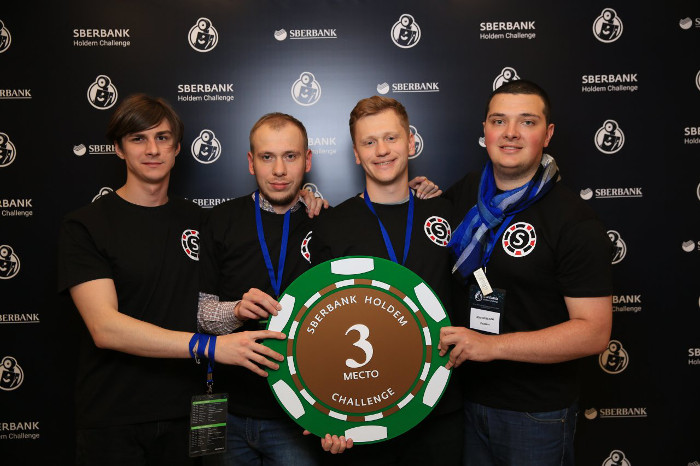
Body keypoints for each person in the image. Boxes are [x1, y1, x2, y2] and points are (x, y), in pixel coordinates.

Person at [58, 94, 286, 466]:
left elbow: (207, 305)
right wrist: (210, 347)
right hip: (114, 416)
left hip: (188, 414)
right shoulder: (86, 225)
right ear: (119, 149)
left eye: (162, 138)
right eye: (138, 138)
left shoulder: (199, 220)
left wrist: (305, 199)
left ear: (177, 148)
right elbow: (105, 327)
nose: (152, 149)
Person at [439, 80, 613, 465]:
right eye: (499, 121)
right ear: (485, 130)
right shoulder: (465, 193)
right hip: (465, 403)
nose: (511, 133)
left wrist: (491, 346)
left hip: (535, 415)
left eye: (527, 122)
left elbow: (594, 332)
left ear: (547, 135)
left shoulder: (573, 220)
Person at [310, 96, 465, 464]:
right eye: (369, 142)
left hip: (439, 404)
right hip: (362, 409)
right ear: (355, 154)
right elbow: (319, 328)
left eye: (391, 138)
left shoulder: (448, 212)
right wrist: (325, 412)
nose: (381, 150)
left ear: (410, 142)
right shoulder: (332, 225)